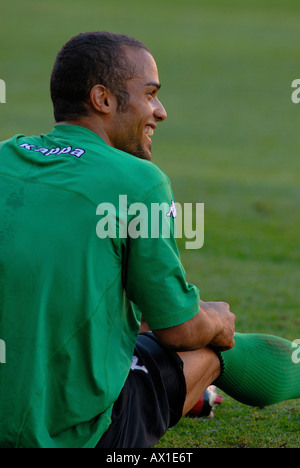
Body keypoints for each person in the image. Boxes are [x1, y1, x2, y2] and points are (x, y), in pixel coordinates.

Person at [0, 31, 298, 449]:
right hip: (75, 438)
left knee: (129, 325)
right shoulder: (139, 182)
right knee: (209, 352)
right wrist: (213, 318)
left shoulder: (5, 156)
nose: (160, 111)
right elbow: (178, 329)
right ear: (102, 99)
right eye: (151, 93)